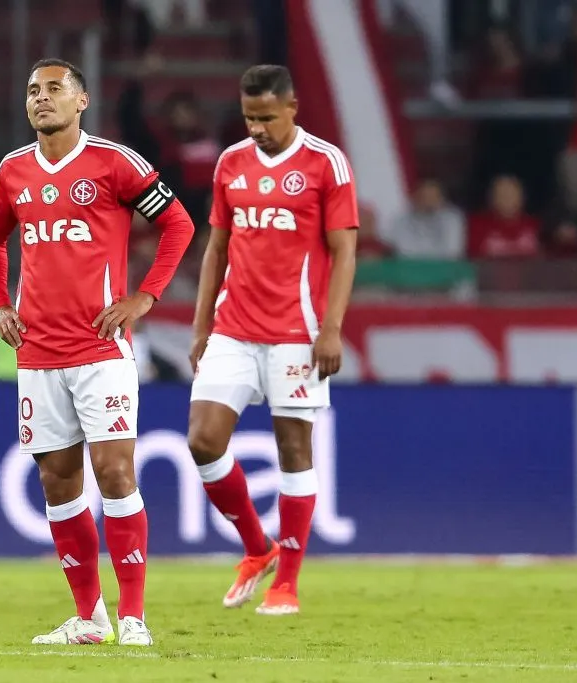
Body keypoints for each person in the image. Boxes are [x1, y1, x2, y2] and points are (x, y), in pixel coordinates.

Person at [0, 58, 194, 646]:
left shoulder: (113, 163)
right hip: (38, 352)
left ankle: (135, 617)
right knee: (57, 482)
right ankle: (89, 617)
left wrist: (144, 297)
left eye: (53, 89)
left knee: (115, 470)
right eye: (32, 91)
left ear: (82, 101)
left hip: (101, 348)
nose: (41, 99)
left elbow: (178, 224)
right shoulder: (13, 171)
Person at [187, 65, 358, 616]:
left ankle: (286, 581)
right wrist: (200, 325)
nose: (256, 127)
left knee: (293, 450)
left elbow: (344, 250)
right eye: (248, 117)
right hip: (233, 327)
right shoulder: (230, 162)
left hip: (297, 332)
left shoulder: (324, 163)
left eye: (265, 117)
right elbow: (216, 247)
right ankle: (255, 548)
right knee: (202, 442)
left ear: (292, 107)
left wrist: (331, 327)